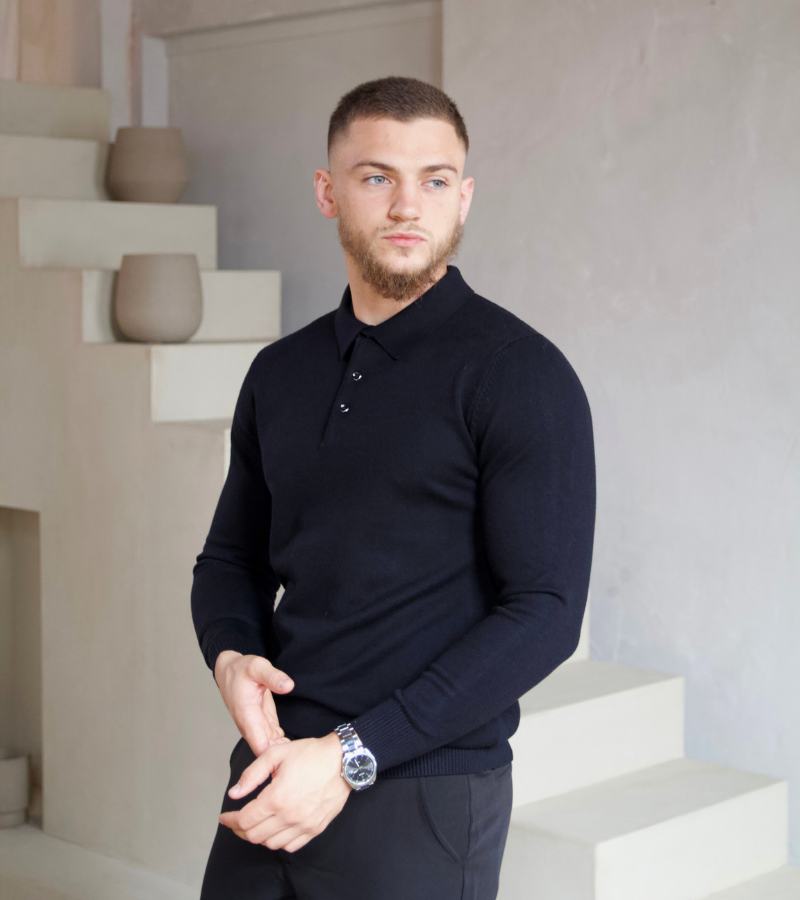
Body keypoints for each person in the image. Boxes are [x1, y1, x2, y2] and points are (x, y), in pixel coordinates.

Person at [191, 74, 596, 900]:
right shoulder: (280, 373)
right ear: (328, 191)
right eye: (378, 177)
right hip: (273, 770)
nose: (408, 206)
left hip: (423, 788)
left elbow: (545, 614)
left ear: (465, 196)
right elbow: (230, 557)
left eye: (435, 180)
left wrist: (350, 754)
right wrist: (232, 655)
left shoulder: (520, 376)